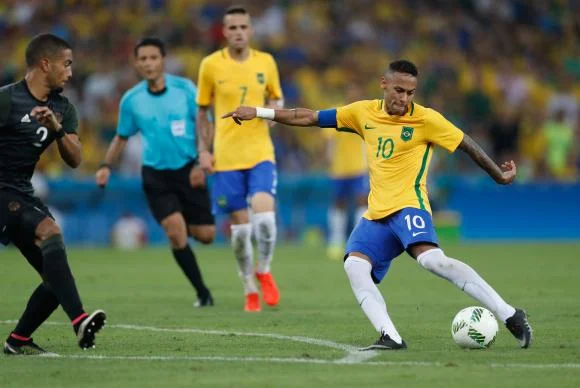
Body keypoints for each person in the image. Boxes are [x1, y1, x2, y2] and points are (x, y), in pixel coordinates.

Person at [222, 59, 533, 349]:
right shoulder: (363, 113)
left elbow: (466, 143)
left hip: (410, 205)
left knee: (431, 261)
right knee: (354, 265)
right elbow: (309, 116)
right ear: (384, 84)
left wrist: (498, 175)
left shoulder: (426, 119)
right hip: (377, 215)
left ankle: (509, 314)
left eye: (410, 92)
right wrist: (259, 113)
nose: (404, 98)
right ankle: (390, 336)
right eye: (399, 90)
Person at [0, 33, 106, 355]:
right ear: (45, 64)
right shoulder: (7, 100)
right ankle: (79, 321)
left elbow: (75, 160)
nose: (71, 73)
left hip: (20, 191)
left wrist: (58, 127)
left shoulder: (63, 107)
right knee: (50, 230)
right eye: (67, 64)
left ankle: (17, 341)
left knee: (55, 274)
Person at [95, 38, 215, 307]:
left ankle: (186, 223)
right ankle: (202, 293)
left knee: (207, 235)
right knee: (175, 232)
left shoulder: (185, 89)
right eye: (143, 59)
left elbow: (204, 124)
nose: (148, 63)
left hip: (189, 170)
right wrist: (105, 165)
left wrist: (200, 160)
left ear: (163, 60)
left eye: (153, 58)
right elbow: (121, 136)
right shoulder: (132, 100)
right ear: (136, 64)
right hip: (156, 175)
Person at [196, 5, 284, 312]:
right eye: (232, 28)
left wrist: (274, 112)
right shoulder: (210, 65)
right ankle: (248, 285)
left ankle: (264, 269)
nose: (238, 32)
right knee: (241, 231)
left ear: (251, 30)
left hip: (260, 152)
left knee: (265, 218)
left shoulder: (266, 62)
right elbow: (202, 111)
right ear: (224, 31)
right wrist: (203, 151)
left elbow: (276, 96)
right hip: (227, 158)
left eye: (243, 27)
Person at [326, 84, 368, 260]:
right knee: (339, 203)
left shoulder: (365, 117)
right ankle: (336, 241)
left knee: (361, 202)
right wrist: (328, 158)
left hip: (359, 167)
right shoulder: (337, 114)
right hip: (339, 168)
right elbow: (329, 141)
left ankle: (358, 240)